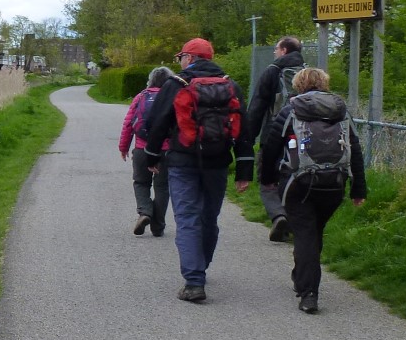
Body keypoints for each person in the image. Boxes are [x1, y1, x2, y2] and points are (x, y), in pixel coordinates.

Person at [142, 38, 254, 303]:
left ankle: (194, 281)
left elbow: (155, 123)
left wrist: (152, 155)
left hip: (183, 160)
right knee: (208, 217)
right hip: (218, 162)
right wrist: (244, 171)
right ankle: (201, 265)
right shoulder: (231, 85)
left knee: (187, 217)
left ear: (189, 58)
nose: (180, 61)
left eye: (181, 56)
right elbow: (244, 130)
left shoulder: (175, 84)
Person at [258, 67, 366, 314]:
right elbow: (355, 149)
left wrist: (267, 180)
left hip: (299, 183)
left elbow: (271, 147)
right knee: (313, 231)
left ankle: (309, 293)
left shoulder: (291, 110)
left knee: (305, 234)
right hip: (335, 183)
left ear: (299, 85)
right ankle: (302, 276)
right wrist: (358, 187)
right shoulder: (341, 111)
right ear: (324, 84)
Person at [244, 35, 305, 241]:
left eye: (276, 48)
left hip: (274, 131)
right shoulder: (307, 71)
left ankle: (278, 215)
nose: (274, 52)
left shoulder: (272, 71)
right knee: (295, 175)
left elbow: (257, 106)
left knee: (267, 177)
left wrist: (248, 138)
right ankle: (295, 221)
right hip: (303, 134)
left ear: (284, 51)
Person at [118, 66, 174, 237]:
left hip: (142, 149)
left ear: (150, 80)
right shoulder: (173, 97)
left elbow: (128, 123)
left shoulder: (141, 96)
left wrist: (124, 147)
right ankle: (158, 226)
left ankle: (145, 212)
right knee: (162, 187)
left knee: (141, 183)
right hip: (166, 151)